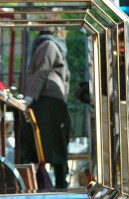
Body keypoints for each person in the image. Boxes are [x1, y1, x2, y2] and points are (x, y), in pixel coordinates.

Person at [20, 27, 71, 189]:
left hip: (45, 98)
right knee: (53, 141)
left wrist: (29, 97)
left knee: (40, 142)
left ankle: (52, 184)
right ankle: (55, 183)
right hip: (51, 98)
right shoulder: (54, 45)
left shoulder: (47, 45)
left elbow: (42, 71)